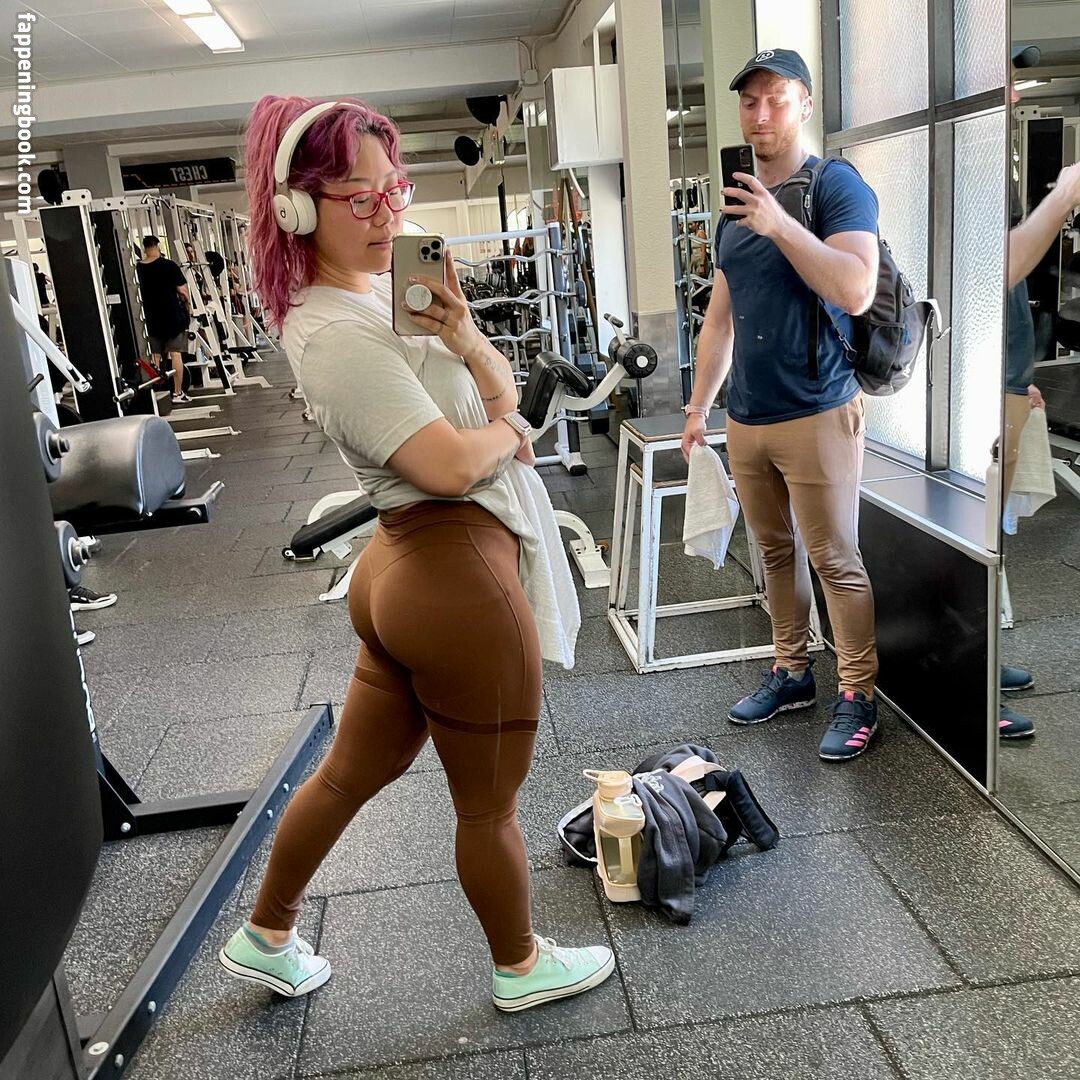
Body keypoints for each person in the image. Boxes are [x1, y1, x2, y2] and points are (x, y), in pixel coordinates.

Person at [217, 95, 612, 1012]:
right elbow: (446, 464)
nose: (389, 211)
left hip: (413, 570)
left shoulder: (378, 291)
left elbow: (498, 393)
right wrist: (512, 432)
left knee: (352, 772)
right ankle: (520, 965)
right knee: (488, 804)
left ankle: (266, 933)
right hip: (450, 574)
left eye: (394, 187)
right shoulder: (333, 331)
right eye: (362, 197)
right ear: (296, 208)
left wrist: (465, 337)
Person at [681, 48, 881, 762]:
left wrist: (780, 225)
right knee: (773, 551)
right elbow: (720, 320)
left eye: (775, 99)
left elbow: (856, 288)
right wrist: (698, 408)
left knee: (834, 558)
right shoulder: (736, 206)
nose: (760, 113)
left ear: (804, 104)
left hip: (818, 408)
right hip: (748, 415)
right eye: (749, 101)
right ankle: (792, 670)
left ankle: (858, 694)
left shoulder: (835, 186)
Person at [997, 47, 1080, 738]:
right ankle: (970, 685)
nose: (1017, 93)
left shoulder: (998, 160)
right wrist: (1064, 196)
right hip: (971, 386)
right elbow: (997, 268)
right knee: (971, 533)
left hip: (1002, 375)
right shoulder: (967, 159)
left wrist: (1023, 374)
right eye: (1007, 80)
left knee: (991, 536)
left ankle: (980, 659)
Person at [136, 235, 192, 404]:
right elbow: (182, 291)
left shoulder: (138, 268)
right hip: (172, 317)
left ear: (144, 248)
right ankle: (177, 393)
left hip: (150, 318)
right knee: (175, 354)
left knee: (155, 356)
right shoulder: (169, 265)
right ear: (158, 246)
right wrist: (188, 306)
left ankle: (156, 394)